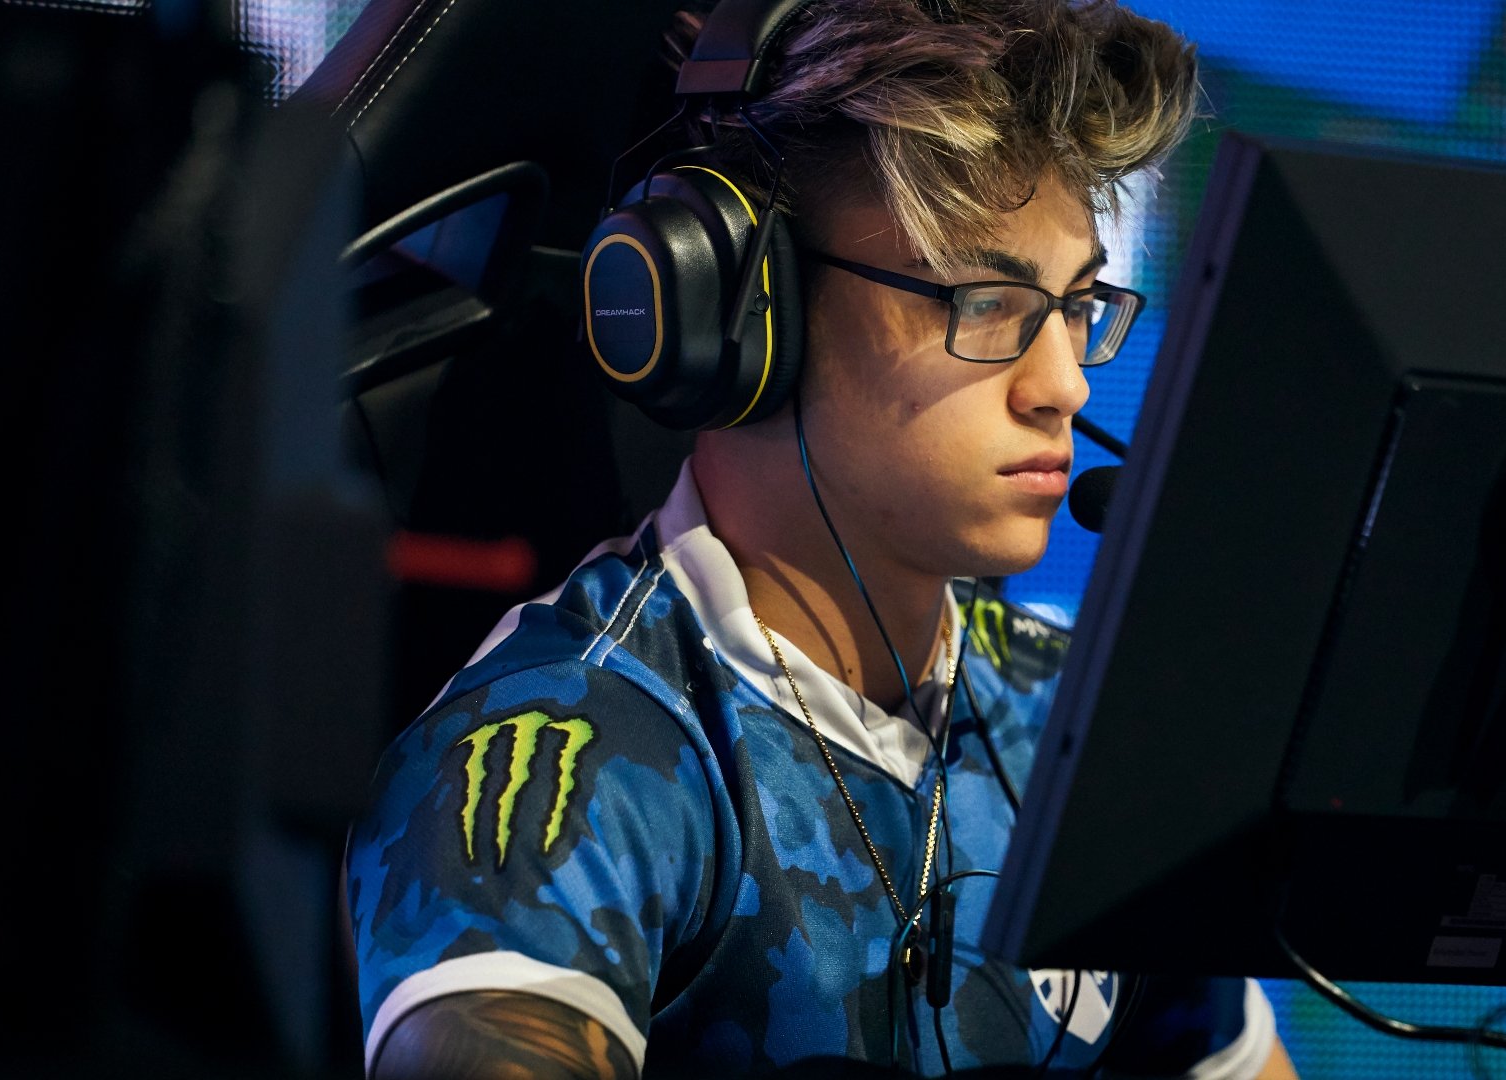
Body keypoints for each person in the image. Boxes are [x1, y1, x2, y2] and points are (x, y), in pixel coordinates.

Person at [346, 0, 1300, 1076]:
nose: (1064, 386)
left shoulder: (1080, 721)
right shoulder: (555, 763)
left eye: (1076, 304)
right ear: (753, 308)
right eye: (987, 302)